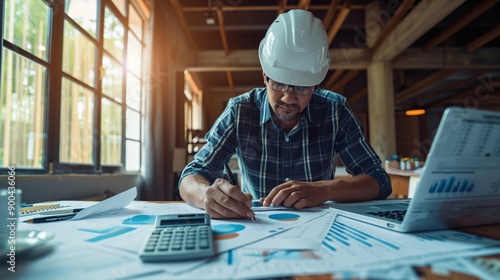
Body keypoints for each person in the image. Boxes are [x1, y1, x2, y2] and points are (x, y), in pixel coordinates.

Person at [179, 9, 392, 219]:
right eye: (279, 83)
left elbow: (379, 180)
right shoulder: (240, 111)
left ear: (315, 85)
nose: (288, 98)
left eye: (301, 87)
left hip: (320, 227)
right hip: (257, 223)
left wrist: (324, 190)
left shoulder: (334, 111)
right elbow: (192, 174)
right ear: (265, 76)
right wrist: (205, 195)